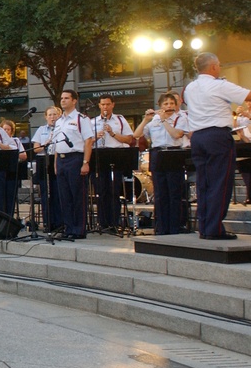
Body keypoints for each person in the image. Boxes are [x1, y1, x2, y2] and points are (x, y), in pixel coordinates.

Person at [180, 52, 251, 240]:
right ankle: (214, 229)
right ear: (213, 67)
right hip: (217, 136)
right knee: (221, 182)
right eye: (218, 64)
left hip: (198, 137)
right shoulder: (219, 85)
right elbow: (247, 96)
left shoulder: (190, 88)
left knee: (204, 183)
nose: (219, 67)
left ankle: (204, 226)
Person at [134, 92, 189, 235]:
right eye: (165, 104)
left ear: (176, 105)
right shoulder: (154, 120)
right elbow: (137, 134)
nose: (169, 106)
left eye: (171, 103)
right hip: (157, 154)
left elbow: (176, 135)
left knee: (174, 193)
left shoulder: (180, 118)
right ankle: (161, 227)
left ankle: (175, 227)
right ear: (160, 106)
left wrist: (165, 120)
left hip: (174, 153)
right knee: (160, 194)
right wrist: (145, 120)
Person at [53, 90, 94, 239]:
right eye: (62, 98)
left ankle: (78, 229)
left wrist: (85, 162)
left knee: (77, 195)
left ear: (74, 100)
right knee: (64, 196)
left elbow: (88, 140)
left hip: (75, 158)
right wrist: (56, 163)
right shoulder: (59, 121)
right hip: (62, 159)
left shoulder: (81, 119)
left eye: (66, 98)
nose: (63, 101)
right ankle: (68, 228)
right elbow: (58, 143)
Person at [91, 95, 134, 233]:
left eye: (108, 104)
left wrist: (112, 134)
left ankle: (114, 222)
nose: (105, 107)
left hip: (116, 157)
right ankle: (102, 223)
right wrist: (94, 138)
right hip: (99, 157)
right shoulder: (92, 122)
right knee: (101, 192)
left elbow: (129, 139)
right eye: (103, 104)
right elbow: (85, 142)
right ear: (99, 105)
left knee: (114, 192)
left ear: (112, 105)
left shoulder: (120, 120)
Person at [31, 106, 64, 232]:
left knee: (58, 193)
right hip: (43, 161)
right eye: (50, 115)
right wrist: (46, 143)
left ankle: (59, 222)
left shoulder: (61, 128)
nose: (52, 117)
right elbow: (36, 148)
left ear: (59, 116)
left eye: (55, 114)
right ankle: (48, 222)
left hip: (57, 160)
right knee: (46, 193)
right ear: (46, 117)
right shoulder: (41, 130)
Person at [0, 118, 27, 217]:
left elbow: (24, 156)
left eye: (8, 129)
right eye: (4, 129)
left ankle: (9, 217)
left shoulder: (15, 141)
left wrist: (13, 152)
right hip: (0, 172)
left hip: (12, 172)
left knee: (10, 196)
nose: (6, 131)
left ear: (12, 131)